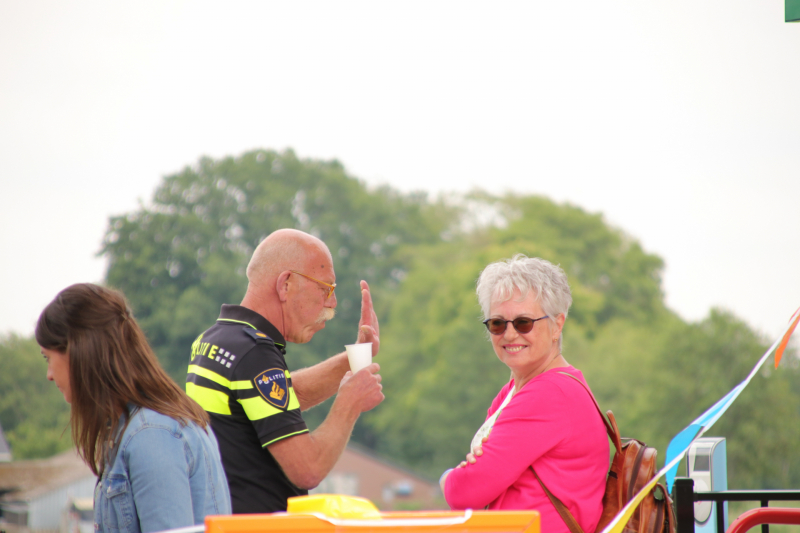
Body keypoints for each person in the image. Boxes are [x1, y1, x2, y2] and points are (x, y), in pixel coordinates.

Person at [186, 228, 385, 514]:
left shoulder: (217, 339)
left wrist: (358, 355)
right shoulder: (255, 352)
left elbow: (285, 397)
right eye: (326, 288)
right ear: (286, 284)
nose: (332, 303)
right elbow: (308, 469)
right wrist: (350, 403)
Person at [35, 283, 231, 533]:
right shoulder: (143, 426)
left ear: (78, 350)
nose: (49, 375)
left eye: (47, 358)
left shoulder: (152, 434)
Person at [439, 255, 608, 533]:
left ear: (557, 325)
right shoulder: (515, 391)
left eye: (523, 323)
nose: (509, 334)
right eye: (497, 323)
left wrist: (449, 477)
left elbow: (466, 491)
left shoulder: (549, 393)